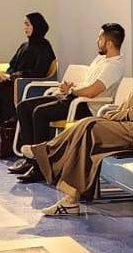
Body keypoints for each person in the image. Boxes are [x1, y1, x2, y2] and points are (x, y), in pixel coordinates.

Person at [26, 51, 133, 216]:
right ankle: (70, 197)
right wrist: (115, 115)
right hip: (131, 128)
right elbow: (130, 108)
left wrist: (113, 116)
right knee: (86, 128)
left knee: (91, 126)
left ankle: (47, 152)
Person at [8, 23, 126, 168]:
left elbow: (92, 92)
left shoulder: (114, 66)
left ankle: (41, 166)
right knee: (23, 107)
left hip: (86, 106)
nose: (97, 41)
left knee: (40, 113)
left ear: (109, 43)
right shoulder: (101, 59)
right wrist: (71, 87)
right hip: (75, 98)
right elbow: (87, 84)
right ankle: (30, 160)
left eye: (100, 39)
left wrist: (72, 91)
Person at [0, 12, 56, 148]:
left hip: (25, 85)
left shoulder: (44, 47)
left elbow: (37, 72)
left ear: (37, 26)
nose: (25, 28)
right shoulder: (24, 46)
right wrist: (6, 76)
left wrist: (11, 77)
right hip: (14, 81)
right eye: (24, 24)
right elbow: (12, 66)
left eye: (28, 25)